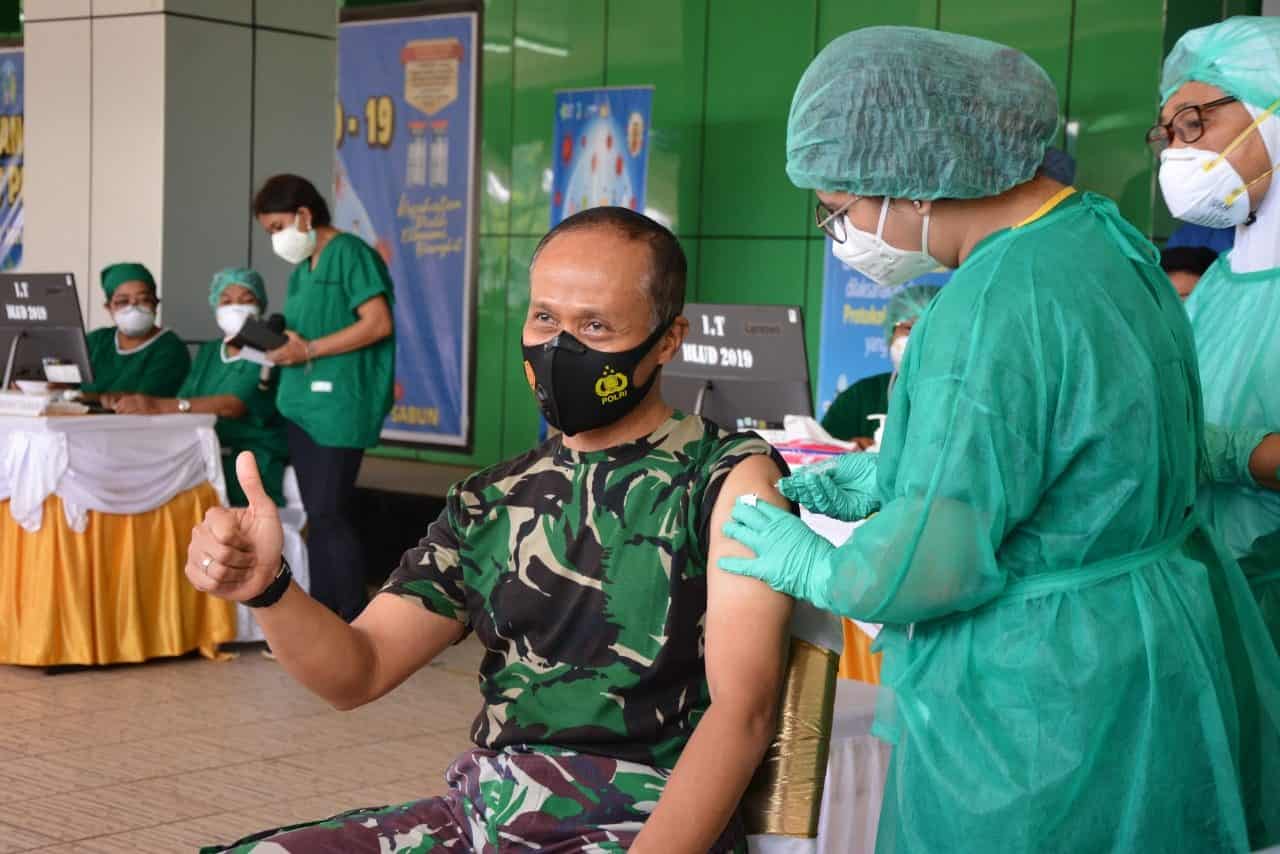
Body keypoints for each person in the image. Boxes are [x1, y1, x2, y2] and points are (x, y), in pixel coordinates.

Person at [719, 26, 1280, 852]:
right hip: (1146, 648)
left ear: (911, 178)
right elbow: (1106, 437)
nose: (841, 235)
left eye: (839, 209)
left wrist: (824, 566)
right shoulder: (1102, 238)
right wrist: (903, 468)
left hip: (1041, 698)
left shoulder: (988, 307)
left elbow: (925, 569)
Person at [186, 207, 793, 853]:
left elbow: (744, 713)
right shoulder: (490, 499)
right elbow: (358, 671)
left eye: (596, 325)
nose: (561, 348)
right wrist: (268, 590)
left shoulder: (726, 479)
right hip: (487, 814)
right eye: (545, 319)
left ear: (668, 341)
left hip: (641, 821)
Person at [1155, 16, 1280, 651]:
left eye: (1195, 125)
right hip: (1213, 599)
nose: (1177, 151)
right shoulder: (1223, 284)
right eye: (1168, 133)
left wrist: (1226, 452)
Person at [251, 174, 395, 622]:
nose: (276, 239)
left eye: (278, 228)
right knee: (318, 513)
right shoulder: (301, 273)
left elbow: (376, 323)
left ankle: (355, 619)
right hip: (302, 405)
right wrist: (284, 344)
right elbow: (304, 332)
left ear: (305, 215)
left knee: (331, 513)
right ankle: (323, 616)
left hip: (338, 405)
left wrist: (309, 349)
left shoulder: (351, 255)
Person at [107, 268, 289, 509]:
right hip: (202, 453)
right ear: (215, 306)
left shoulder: (270, 350)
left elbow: (233, 405)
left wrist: (157, 406)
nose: (236, 307)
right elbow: (186, 397)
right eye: (226, 301)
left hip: (249, 458)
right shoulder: (210, 351)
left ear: (261, 305)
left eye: (247, 300)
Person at [821, 285, 940, 445]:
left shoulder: (962, 399)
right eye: (909, 328)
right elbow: (821, 453)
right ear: (891, 334)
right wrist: (852, 452)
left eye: (931, 329)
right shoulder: (861, 396)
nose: (917, 339)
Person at [82, 262, 190, 400]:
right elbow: (66, 384)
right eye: (123, 301)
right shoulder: (96, 340)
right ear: (108, 307)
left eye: (144, 300)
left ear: (155, 304)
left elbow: (141, 401)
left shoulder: (170, 348)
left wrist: (84, 396)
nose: (133, 307)